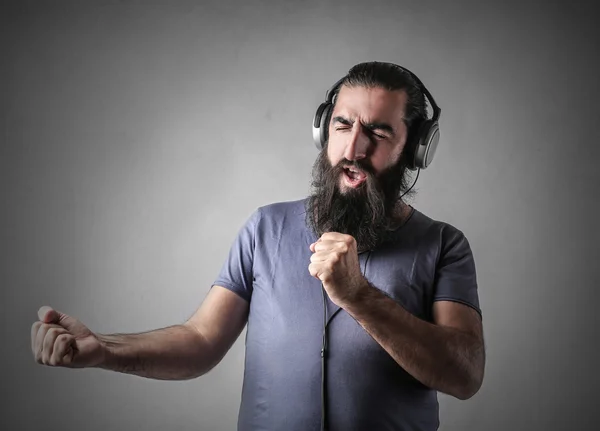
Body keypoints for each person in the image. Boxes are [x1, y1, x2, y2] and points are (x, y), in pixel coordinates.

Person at [31, 62, 485, 431]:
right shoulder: (266, 228)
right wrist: (104, 348)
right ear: (324, 129)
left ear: (414, 150)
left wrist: (360, 298)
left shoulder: (443, 245)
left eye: (379, 133)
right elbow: (201, 340)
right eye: (343, 124)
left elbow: (464, 376)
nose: (353, 148)